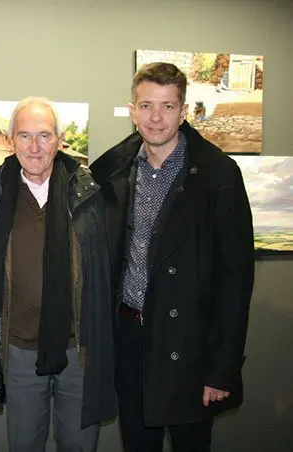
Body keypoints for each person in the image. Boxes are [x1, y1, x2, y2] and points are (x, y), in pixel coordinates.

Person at [90, 62, 255, 452]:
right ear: (132, 111)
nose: (156, 117)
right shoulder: (111, 171)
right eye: (147, 106)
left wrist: (221, 369)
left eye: (167, 106)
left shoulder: (219, 176)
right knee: (138, 444)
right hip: (130, 340)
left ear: (183, 111)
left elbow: (236, 283)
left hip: (190, 347)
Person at [0, 97, 117, 452]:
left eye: (44, 135)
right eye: (25, 135)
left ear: (59, 139)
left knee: (80, 445)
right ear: (11, 139)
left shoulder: (91, 192)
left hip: (78, 352)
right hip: (19, 353)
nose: (35, 146)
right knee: (24, 444)